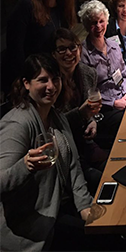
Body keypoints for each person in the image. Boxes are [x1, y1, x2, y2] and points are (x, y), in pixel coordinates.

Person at [0, 54, 92, 251]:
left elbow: (73, 167)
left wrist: (85, 207)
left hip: (61, 206)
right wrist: (25, 166)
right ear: (26, 84)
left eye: (55, 79)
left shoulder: (56, 116)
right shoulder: (17, 124)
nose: (51, 86)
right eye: (43, 80)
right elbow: (2, 180)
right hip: (34, 223)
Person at [2, 0, 77, 93]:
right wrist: (27, 83)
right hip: (34, 80)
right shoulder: (26, 5)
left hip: (54, 76)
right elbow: (15, 51)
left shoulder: (63, 7)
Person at [51, 29, 107, 189]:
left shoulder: (87, 73)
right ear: (53, 54)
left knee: (118, 166)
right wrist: (81, 114)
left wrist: (92, 121)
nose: (68, 53)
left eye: (72, 47)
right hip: (67, 151)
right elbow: (53, 126)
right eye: (62, 49)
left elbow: (91, 112)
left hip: (87, 142)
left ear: (79, 49)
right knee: (105, 181)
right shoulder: (51, 83)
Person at [79, 0, 126, 147]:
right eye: (93, 23)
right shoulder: (83, 54)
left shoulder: (113, 45)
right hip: (104, 109)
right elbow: (88, 91)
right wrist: (114, 103)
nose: (98, 27)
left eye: (101, 21)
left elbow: (123, 73)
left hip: (123, 97)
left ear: (107, 22)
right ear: (86, 25)